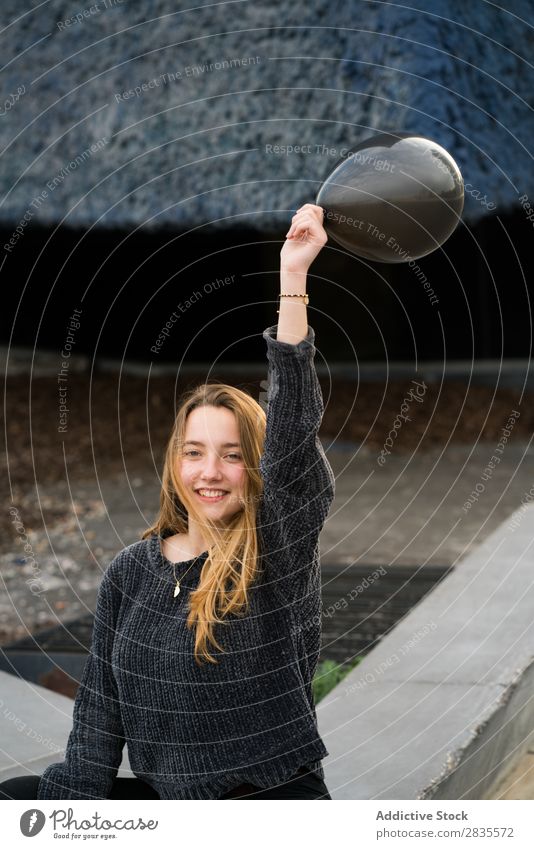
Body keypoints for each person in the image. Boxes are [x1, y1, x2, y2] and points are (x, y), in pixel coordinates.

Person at [0, 204, 335, 801]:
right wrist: (78, 809)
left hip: (266, 800)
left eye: (233, 454)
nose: (210, 472)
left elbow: (291, 440)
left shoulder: (275, 551)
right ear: (174, 464)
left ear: (256, 468)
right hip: (168, 805)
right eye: (194, 452)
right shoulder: (132, 572)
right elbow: (99, 712)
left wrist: (293, 280)